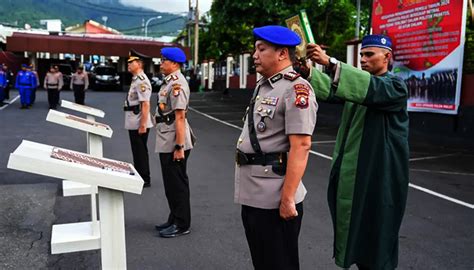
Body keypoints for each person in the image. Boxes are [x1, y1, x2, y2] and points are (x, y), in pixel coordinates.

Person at [306, 34, 409, 270]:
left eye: (369, 54)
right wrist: (308, 72)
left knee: (378, 233)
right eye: (361, 54)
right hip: (357, 174)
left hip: (381, 177)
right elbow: (333, 91)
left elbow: (371, 89)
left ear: (387, 57)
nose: (363, 59)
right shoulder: (359, 88)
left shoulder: (395, 86)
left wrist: (330, 62)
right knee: (358, 229)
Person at [235, 25, 318, 270]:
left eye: (261, 49)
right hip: (255, 192)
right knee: (263, 262)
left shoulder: (296, 88)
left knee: (279, 263)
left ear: (282, 53)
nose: (255, 55)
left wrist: (288, 199)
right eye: (255, 49)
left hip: (276, 196)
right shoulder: (265, 85)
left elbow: (301, 145)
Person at [153, 47, 195, 238]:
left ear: (175, 63)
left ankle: (182, 223)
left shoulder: (177, 84)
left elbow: (180, 117)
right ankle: (174, 217)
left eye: (164, 61)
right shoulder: (169, 82)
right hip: (166, 135)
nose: (161, 64)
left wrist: (179, 147)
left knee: (177, 183)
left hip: (174, 139)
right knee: (170, 183)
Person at [123, 49, 153, 188]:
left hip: (139, 121)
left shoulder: (142, 81)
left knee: (140, 150)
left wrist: (142, 125)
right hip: (134, 120)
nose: (128, 64)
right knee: (137, 150)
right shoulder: (136, 79)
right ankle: (139, 174)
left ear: (139, 64)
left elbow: (145, 103)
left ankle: (144, 178)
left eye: (131, 62)